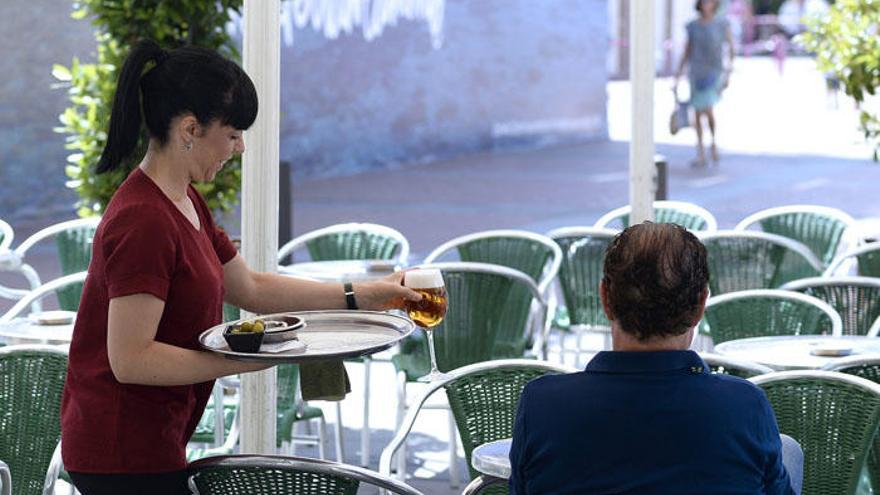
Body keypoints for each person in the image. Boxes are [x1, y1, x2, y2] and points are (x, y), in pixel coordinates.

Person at [60, 40, 421, 495]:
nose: (241, 148)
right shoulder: (144, 220)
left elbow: (249, 287)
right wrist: (245, 362)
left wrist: (361, 294)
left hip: (153, 438)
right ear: (190, 128)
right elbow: (131, 360)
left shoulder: (184, 200)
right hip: (119, 450)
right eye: (232, 134)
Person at [508, 223, 798, 494]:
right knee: (789, 453)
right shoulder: (744, 405)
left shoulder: (542, 404)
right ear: (700, 306)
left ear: (605, 299)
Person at [675, 0, 735, 166]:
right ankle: (700, 150)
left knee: (707, 109)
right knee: (696, 112)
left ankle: (713, 143)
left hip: (714, 73)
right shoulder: (692, 26)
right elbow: (687, 51)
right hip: (696, 73)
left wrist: (729, 72)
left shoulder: (722, 24)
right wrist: (678, 75)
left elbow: (731, 49)